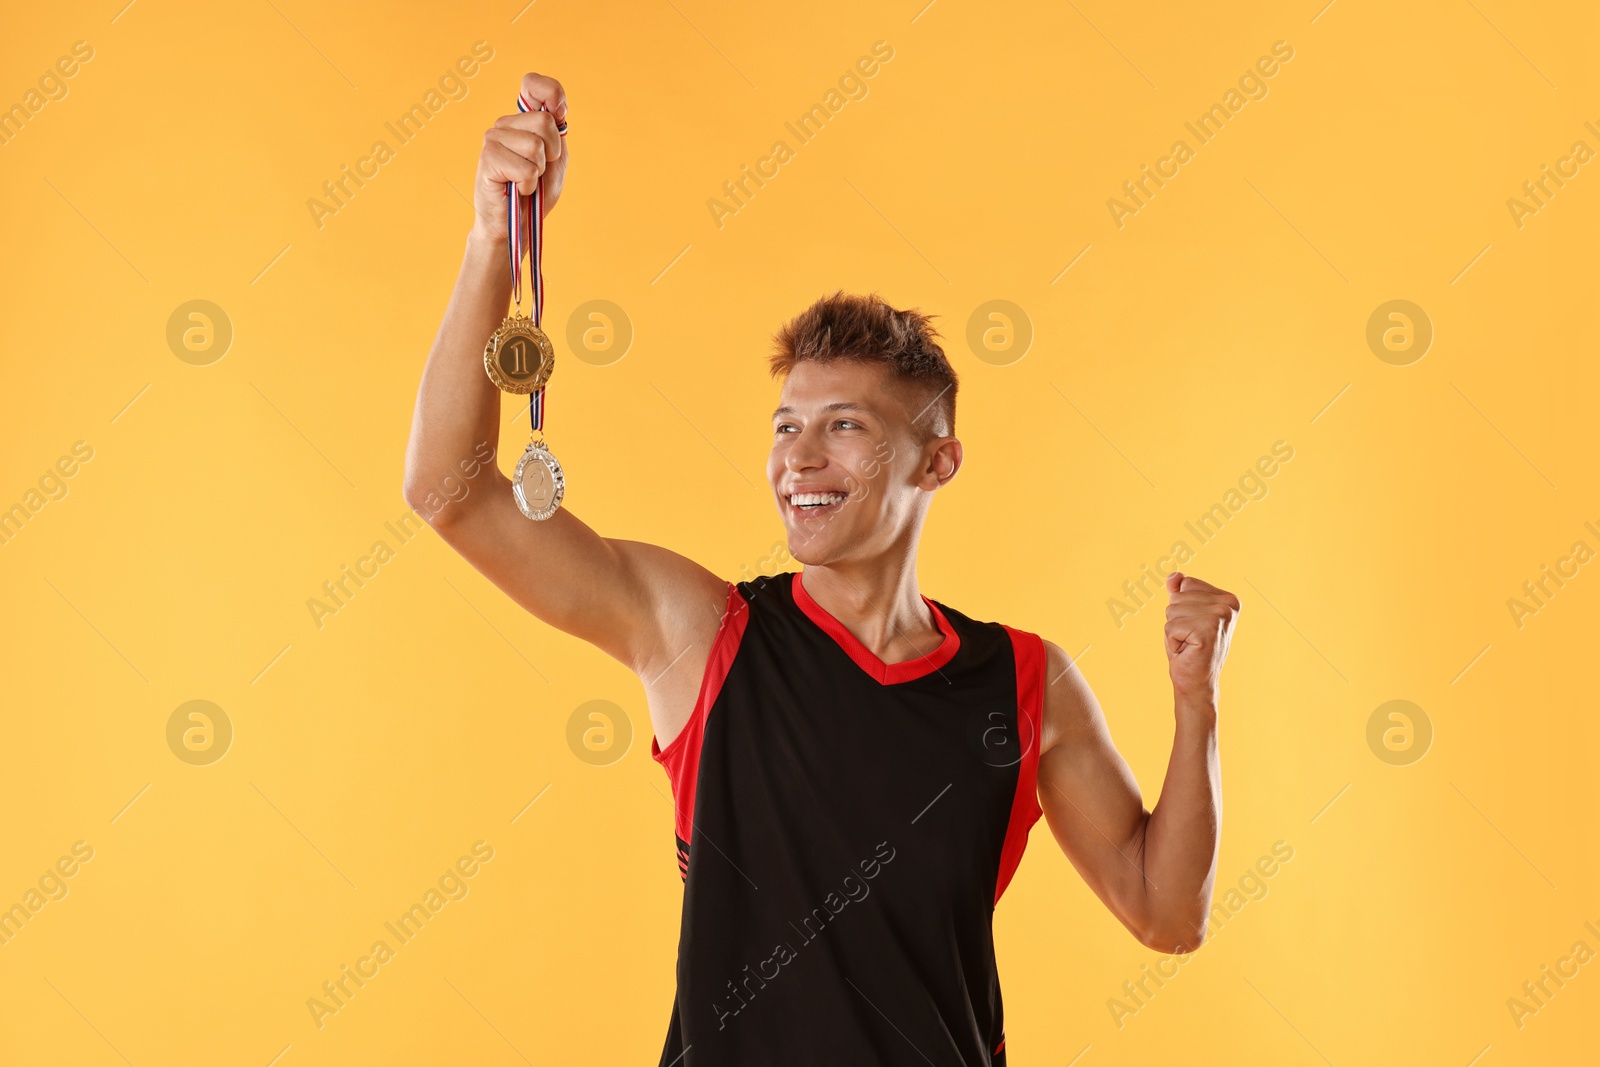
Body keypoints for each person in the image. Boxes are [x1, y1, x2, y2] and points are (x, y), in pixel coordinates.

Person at [404, 71, 1240, 1067]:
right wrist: (494, 240)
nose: (800, 458)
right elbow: (452, 493)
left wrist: (1196, 705)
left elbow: (1165, 913)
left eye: (843, 427)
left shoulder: (1026, 682)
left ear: (938, 462)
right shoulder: (700, 634)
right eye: (787, 426)